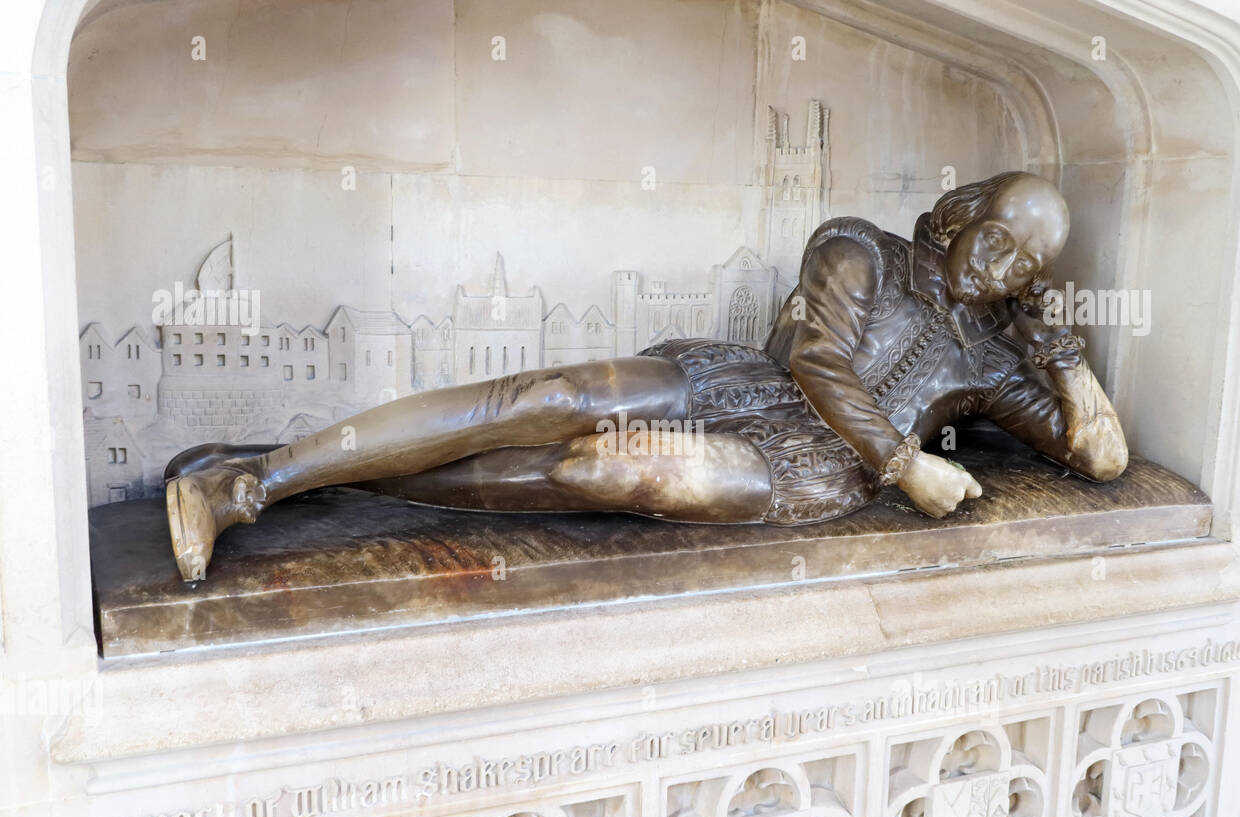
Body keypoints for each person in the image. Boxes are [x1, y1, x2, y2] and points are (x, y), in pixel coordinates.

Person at [165, 171, 1127, 581]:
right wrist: (905, 464)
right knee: (544, 398)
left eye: (1024, 268)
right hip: (740, 385)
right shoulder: (858, 247)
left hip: (808, 478)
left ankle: (293, 474)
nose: (1000, 270)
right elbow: (815, 357)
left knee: (593, 471)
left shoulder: (993, 356)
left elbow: (1101, 459)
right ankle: (250, 482)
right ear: (963, 214)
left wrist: (1063, 354)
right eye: (998, 240)